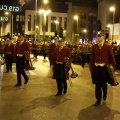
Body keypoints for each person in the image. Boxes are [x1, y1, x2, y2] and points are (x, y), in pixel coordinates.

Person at [89, 30, 116, 106]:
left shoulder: (108, 46)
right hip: (96, 67)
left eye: (100, 36)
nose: (98, 38)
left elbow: (111, 58)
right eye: (98, 36)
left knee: (103, 83)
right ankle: (98, 99)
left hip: (104, 68)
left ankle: (105, 92)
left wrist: (113, 68)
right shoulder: (94, 47)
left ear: (103, 37)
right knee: (97, 84)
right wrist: (91, 67)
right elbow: (92, 58)